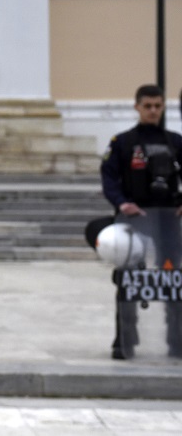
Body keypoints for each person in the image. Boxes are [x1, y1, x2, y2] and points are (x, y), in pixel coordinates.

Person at [101, 84, 182, 359]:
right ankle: (125, 340)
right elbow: (109, 177)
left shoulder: (175, 142)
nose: (153, 111)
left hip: (168, 220)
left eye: (158, 106)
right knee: (129, 279)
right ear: (137, 107)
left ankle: (176, 340)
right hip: (133, 220)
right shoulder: (123, 143)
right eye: (147, 106)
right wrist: (121, 203)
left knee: (172, 278)